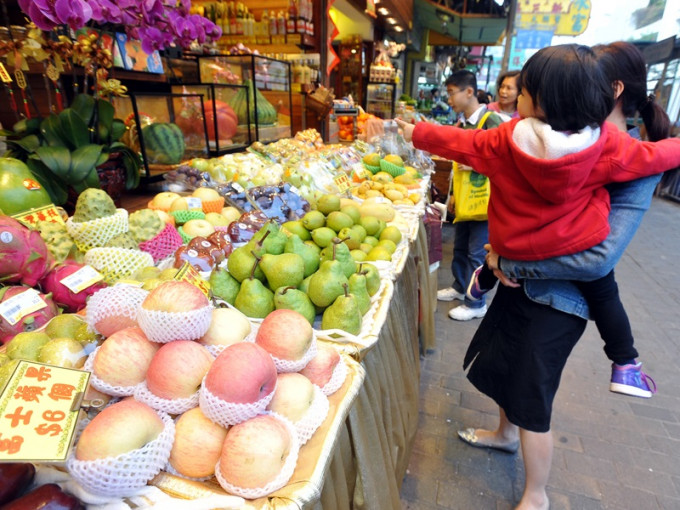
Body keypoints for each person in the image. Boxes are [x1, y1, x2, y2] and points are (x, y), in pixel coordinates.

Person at [397, 43, 680, 510]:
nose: (512, 97)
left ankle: (537, 494)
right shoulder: (614, 148)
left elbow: (457, 143)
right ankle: (516, 427)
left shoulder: (507, 140)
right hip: (537, 267)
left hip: (546, 286)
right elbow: (659, 155)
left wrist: (414, 132)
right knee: (508, 368)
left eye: (521, 90)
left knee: (533, 395)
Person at [464, 41, 672, 398]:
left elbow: (597, 260)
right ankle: (623, 362)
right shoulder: (558, 133)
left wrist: (508, 262)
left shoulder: (626, 153)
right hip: (520, 276)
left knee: (529, 395)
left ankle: (624, 361)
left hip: (558, 295)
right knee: (502, 374)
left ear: (613, 89)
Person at [434, 70, 503, 321]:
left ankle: (476, 303)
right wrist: (451, 194)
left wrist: (476, 166)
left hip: (484, 201)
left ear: (469, 92)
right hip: (465, 199)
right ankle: (459, 286)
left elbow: (504, 159)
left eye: (452, 93)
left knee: (476, 252)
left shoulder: (492, 121)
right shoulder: (462, 123)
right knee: (461, 247)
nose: (449, 99)